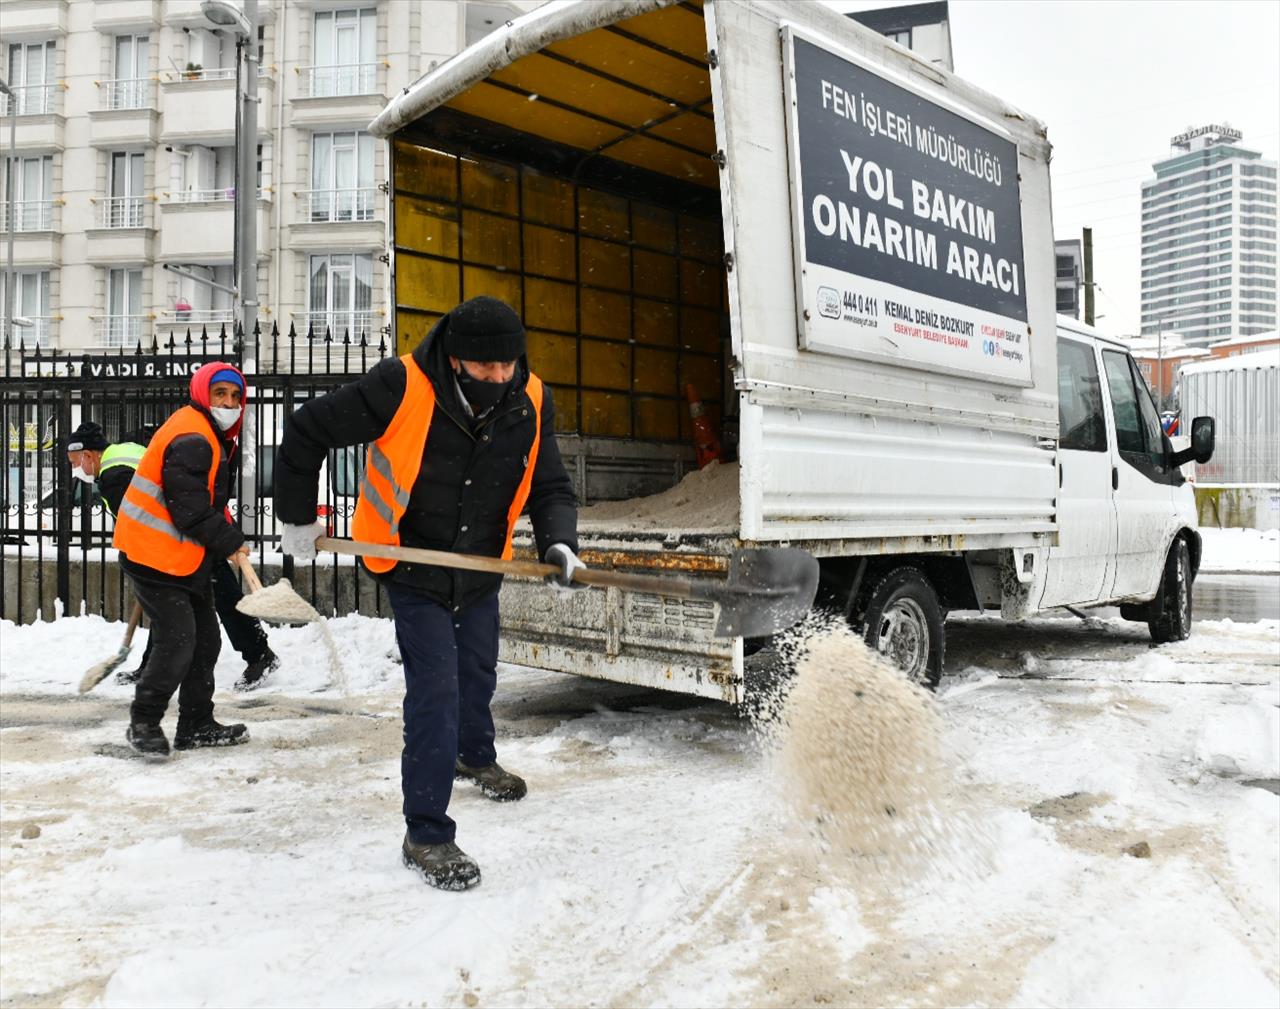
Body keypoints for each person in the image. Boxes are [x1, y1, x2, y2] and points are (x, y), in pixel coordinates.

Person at [274, 295, 582, 891]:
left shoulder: (533, 398)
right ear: (457, 360)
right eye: (485, 368)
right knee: (436, 691)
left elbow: (551, 487)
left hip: (478, 566)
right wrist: (297, 518)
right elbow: (307, 428)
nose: (499, 378)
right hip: (409, 564)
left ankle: (474, 755)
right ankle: (428, 834)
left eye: (508, 366)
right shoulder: (403, 385)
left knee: (478, 671)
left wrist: (558, 544)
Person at [66, 420, 279, 691]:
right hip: (187, 528)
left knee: (223, 597)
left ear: (88, 455)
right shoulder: (125, 450)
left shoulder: (114, 476)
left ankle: (261, 656)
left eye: (75, 462)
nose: (76, 470)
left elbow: (141, 520)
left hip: (188, 535)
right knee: (166, 605)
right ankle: (150, 665)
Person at [111, 363, 255, 758]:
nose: (228, 402)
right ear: (202, 392)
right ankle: (143, 722)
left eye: (235, 396)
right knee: (178, 642)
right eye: (220, 393)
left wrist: (220, 528)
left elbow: (201, 497)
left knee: (205, 641)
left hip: (182, 556)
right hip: (154, 554)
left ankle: (195, 724)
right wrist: (228, 540)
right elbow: (187, 508)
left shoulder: (207, 431)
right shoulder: (194, 435)